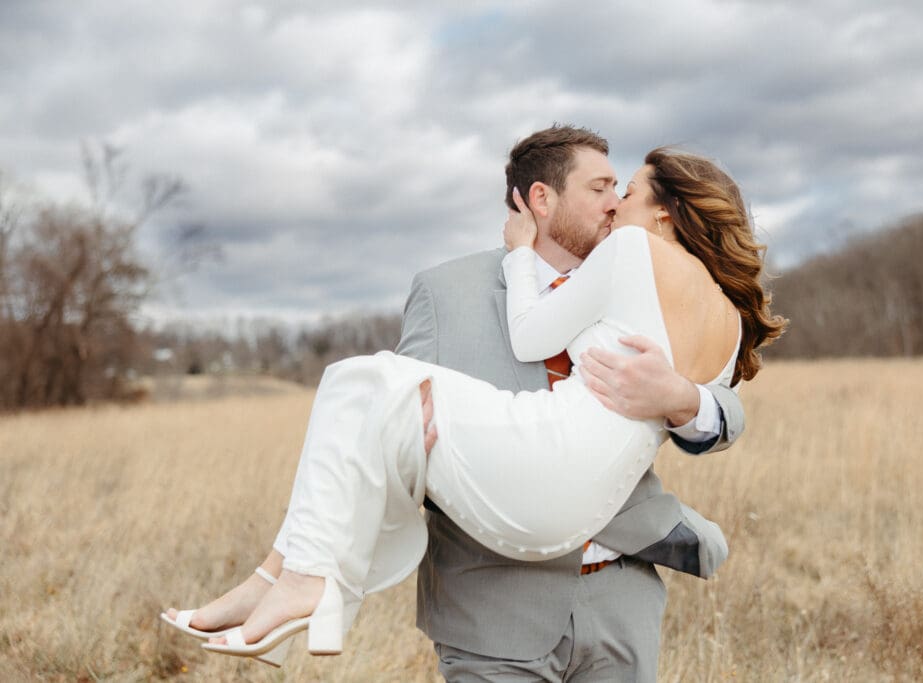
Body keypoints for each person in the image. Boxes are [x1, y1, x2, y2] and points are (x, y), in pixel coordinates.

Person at [162, 127, 783, 680]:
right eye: (600, 187)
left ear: (666, 213)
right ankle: (288, 580)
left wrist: (681, 400)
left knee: (355, 382)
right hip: (496, 607)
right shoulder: (446, 290)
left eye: (624, 189)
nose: (615, 201)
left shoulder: (636, 263)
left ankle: (293, 580)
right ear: (541, 198)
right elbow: (401, 436)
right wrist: (411, 443)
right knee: (373, 393)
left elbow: (720, 416)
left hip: (617, 601)